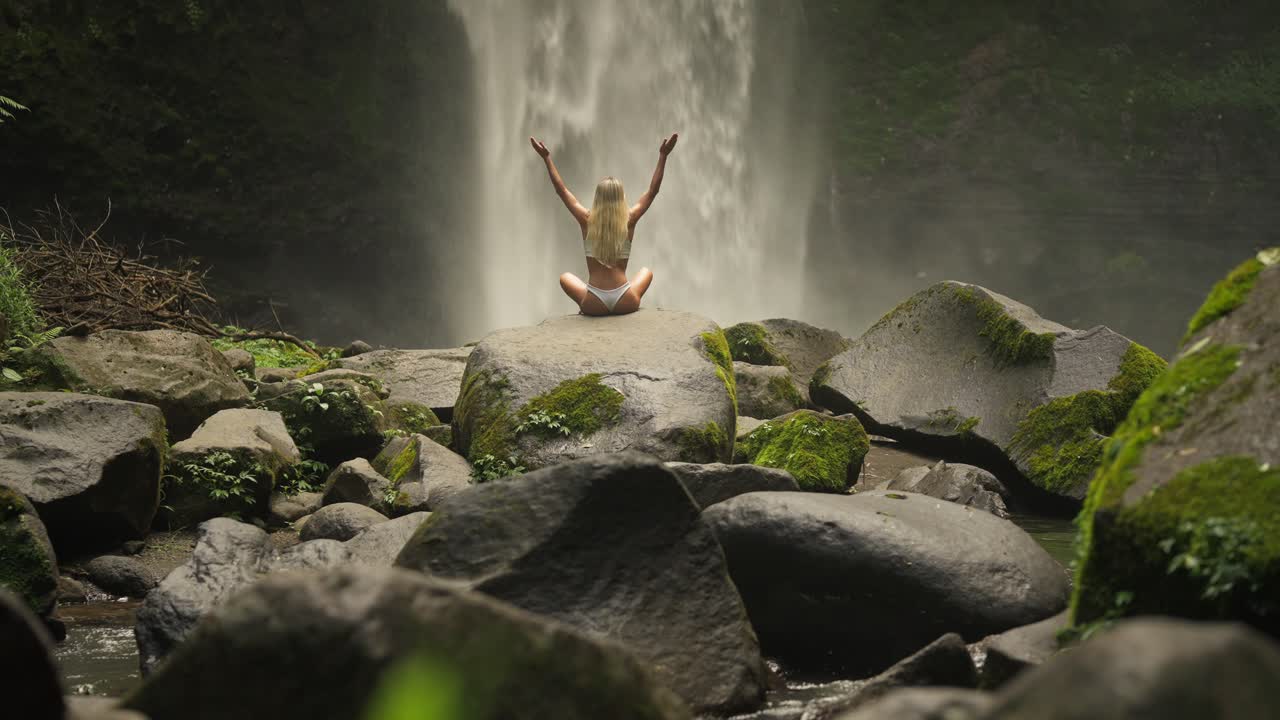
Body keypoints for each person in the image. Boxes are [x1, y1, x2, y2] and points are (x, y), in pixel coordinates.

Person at [530, 132, 677, 316]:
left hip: (593, 303)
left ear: (597, 198)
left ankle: (590, 299)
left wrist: (547, 158)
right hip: (626, 300)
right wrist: (663, 156)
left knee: (564, 278)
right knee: (647, 271)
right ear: (621, 198)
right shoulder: (630, 219)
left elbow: (562, 191)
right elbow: (653, 191)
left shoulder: (586, 219)